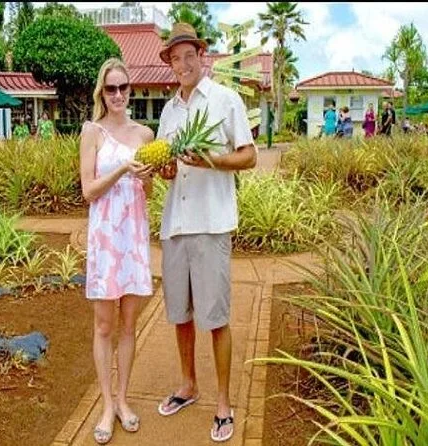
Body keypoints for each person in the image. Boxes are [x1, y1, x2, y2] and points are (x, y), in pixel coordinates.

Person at [155, 22, 257, 443]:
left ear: (202, 56)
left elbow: (249, 156)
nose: (182, 65)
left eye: (188, 56)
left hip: (211, 224)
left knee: (215, 318)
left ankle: (223, 403)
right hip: (175, 224)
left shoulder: (225, 100)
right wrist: (164, 169)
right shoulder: (168, 111)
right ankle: (188, 385)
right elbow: (166, 167)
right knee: (180, 315)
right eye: (175, 59)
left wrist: (211, 160)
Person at [79, 58, 155, 444]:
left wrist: (147, 177)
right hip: (106, 238)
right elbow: (88, 191)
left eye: (123, 87)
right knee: (104, 326)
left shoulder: (145, 134)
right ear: (102, 92)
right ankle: (106, 405)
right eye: (111, 88)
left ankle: (123, 399)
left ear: (130, 89)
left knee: (128, 325)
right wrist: (124, 170)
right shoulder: (91, 131)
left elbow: (149, 192)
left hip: (133, 237)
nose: (118, 94)